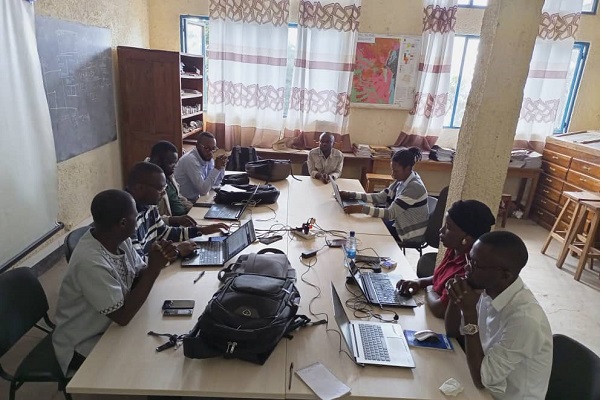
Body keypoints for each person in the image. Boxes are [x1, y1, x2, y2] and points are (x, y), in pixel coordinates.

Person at [52, 189, 177, 375]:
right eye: (135, 216)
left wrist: (154, 261)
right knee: (157, 364)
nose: (138, 219)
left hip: (108, 326)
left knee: (163, 334)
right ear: (123, 223)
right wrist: (153, 270)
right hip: (84, 341)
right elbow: (122, 317)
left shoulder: (118, 238)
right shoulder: (90, 262)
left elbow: (138, 273)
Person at [445, 231, 553, 400]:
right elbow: (452, 332)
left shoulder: (525, 319)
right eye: (469, 259)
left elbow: (482, 380)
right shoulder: (489, 288)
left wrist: (469, 312)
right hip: (483, 382)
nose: (467, 268)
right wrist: (456, 296)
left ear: (505, 275)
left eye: (475, 265)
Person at [397, 200, 496, 318]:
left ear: (467, 238)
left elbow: (440, 309)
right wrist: (420, 282)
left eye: (448, 227)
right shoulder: (454, 249)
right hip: (431, 315)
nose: (441, 230)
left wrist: (429, 289)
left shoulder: (470, 268)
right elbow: (441, 278)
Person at [126, 161, 228, 259]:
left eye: (165, 187)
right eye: (160, 188)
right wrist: (177, 252)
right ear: (140, 188)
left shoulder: (149, 205)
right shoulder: (127, 217)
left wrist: (200, 230)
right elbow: (138, 265)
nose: (164, 193)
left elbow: (164, 232)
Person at [341, 147, 428, 242]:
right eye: (392, 170)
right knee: (369, 222)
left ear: (407, 168)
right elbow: (380, 197)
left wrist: (362, 209)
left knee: (370, 227)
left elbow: (390, 213)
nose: (392, 175)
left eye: (396, 171)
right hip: (398, 222)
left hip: (408, 230)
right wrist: (351, 195)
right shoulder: (401, 181)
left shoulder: (414, 187)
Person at [174, 131, 228, 201]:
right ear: (197, 146)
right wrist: (217, 168)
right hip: (185, 202)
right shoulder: (190, 160)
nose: (211, 152)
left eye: (213, 148)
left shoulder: (207, 157)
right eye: (207, 148)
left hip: (198, 198)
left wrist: (221, 166)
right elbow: (203, 190)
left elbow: (215, 183)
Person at [147, 140, 193, 217]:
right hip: (171, 224)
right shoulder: (148, 182)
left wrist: (193, 209)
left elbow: (177, 197)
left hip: (184, 217)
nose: (174, 166)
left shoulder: (168, 174)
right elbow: (153, 220)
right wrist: (175, 220)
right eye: (171, 163)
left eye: (175, 163)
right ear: (157, 161)